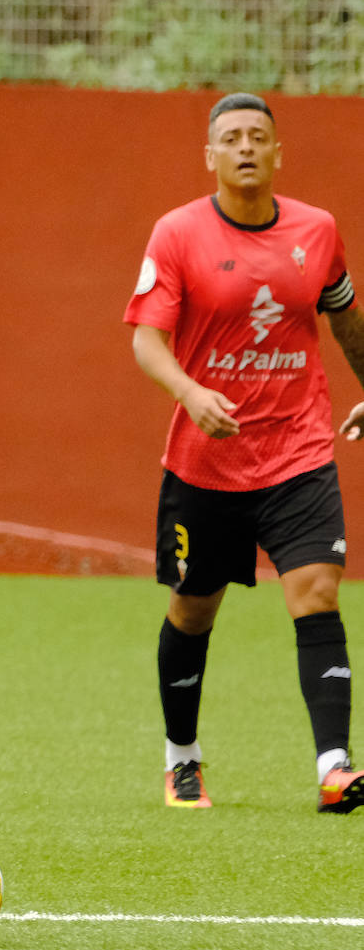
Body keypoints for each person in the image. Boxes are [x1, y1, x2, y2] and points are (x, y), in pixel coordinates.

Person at [126, 91, 364, 813]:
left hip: (299, 452)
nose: (246, 147)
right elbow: (145, 340)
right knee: (194, 610)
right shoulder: (177, 234)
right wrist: (191, 393)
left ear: (278, 151)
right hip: (206, 464)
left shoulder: (317, 232)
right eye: (231, 138)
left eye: (258, 136)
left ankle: (335, 767)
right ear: (211, 156)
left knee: (317, 593)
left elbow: (347, 318)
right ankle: (182, 759)